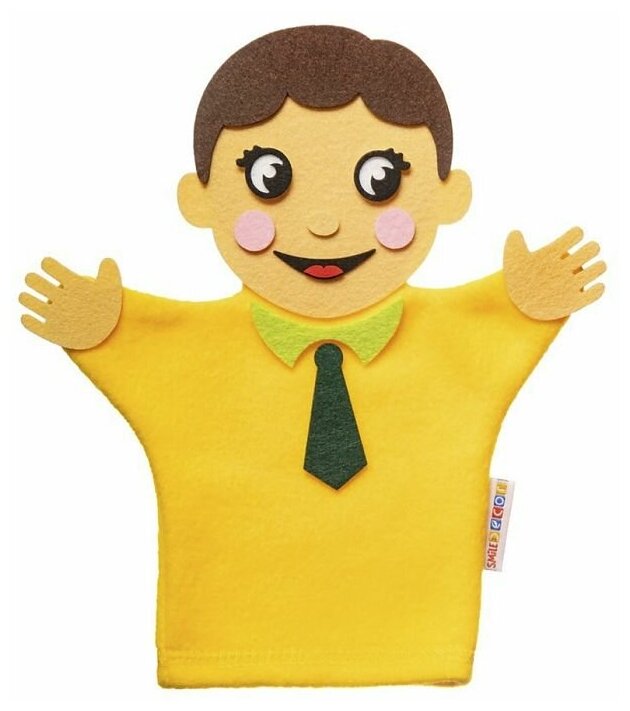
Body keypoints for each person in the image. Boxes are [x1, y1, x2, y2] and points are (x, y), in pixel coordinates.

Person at [18, 25, 606, 688]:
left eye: (379, 180)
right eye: (269, 179)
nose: (324, 224)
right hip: (227, 639)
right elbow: (126, 334)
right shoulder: (192, 350)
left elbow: (510, 309)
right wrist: (97, 322)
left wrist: (531, 295)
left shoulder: (453, 340)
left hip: (416, 638)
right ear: (199, 199)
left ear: (449, 194)